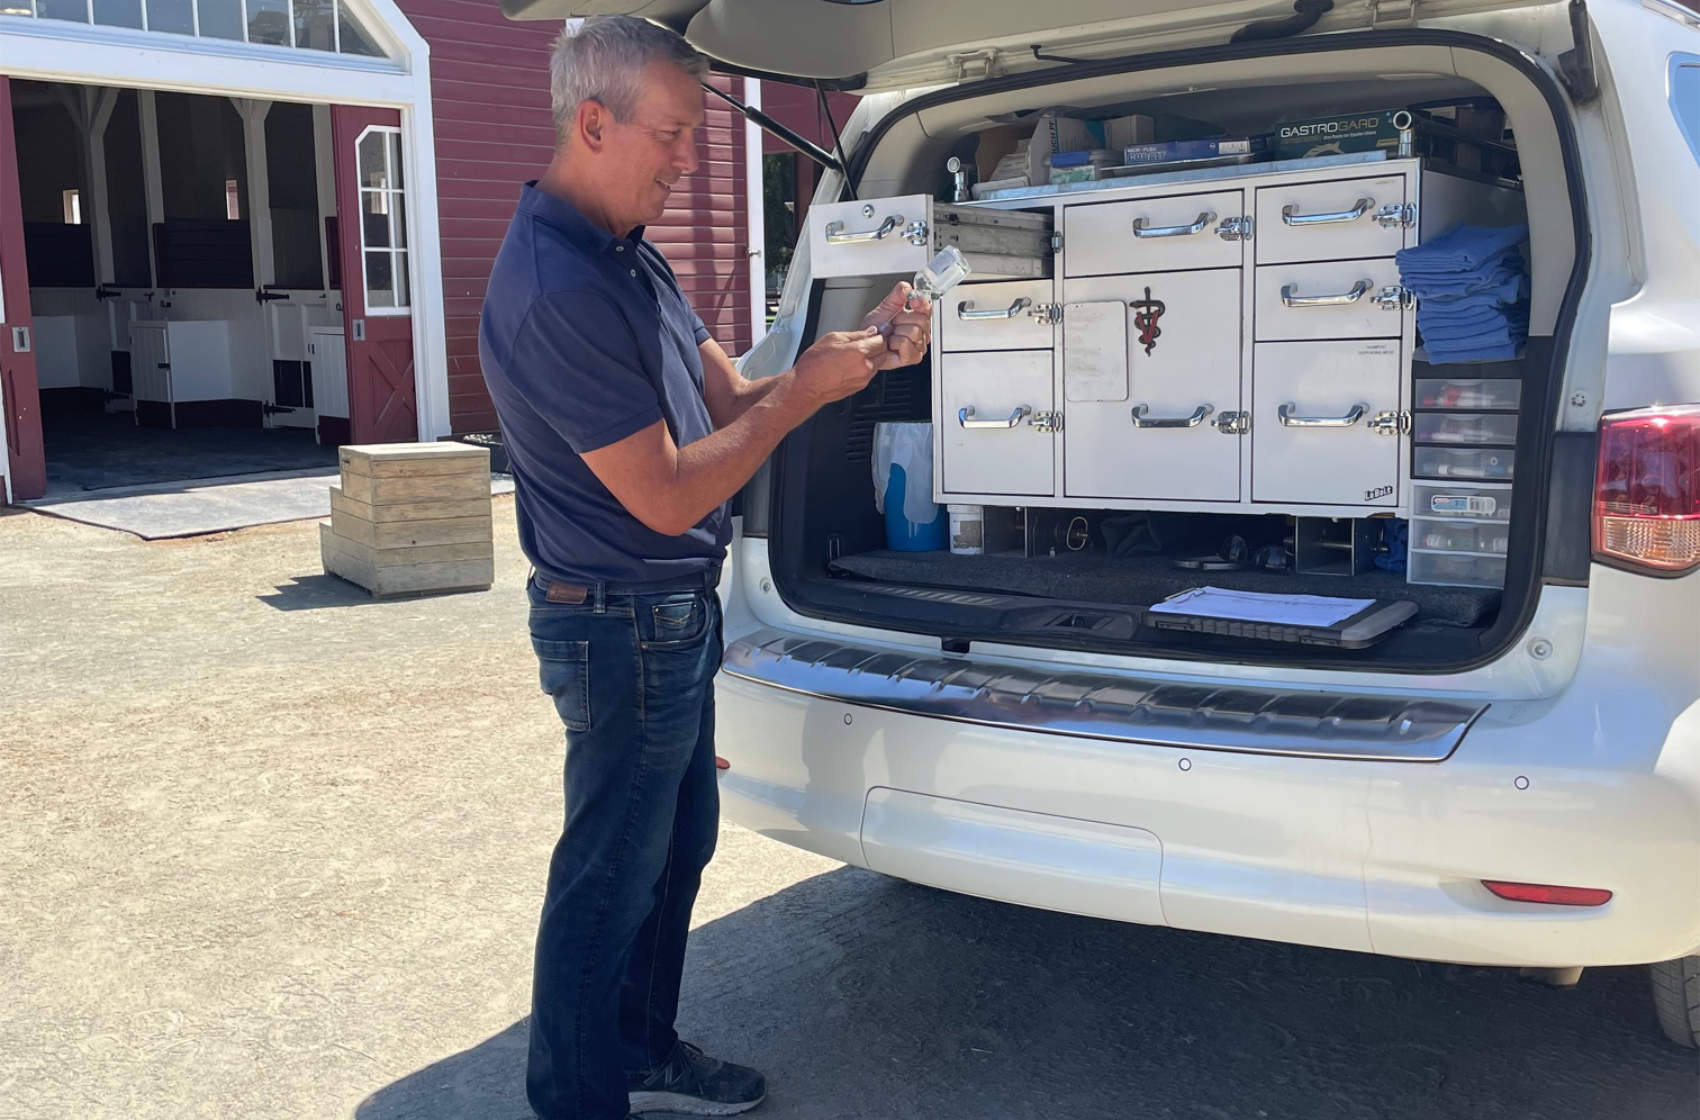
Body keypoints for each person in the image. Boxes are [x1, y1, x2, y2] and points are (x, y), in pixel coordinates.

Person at [477, 15, 932, 1120]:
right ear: (592, 122)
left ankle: (634, 1044)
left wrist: (855, 353)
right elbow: (674, 487)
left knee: (674, 846)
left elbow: (730, 393)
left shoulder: (624, 253)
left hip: (667, 614)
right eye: (671, 136)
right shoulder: (556, 290)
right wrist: (805, 395)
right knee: (606, 876)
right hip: (618, 624)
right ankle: (574, 1096)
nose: (687, 161)